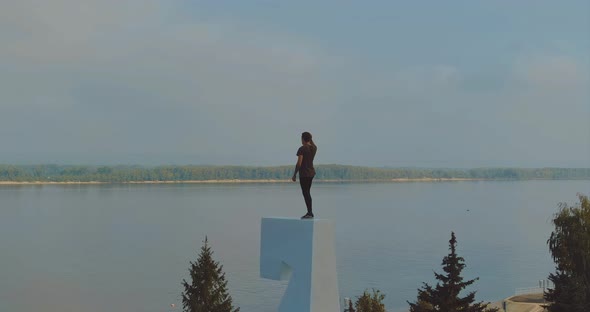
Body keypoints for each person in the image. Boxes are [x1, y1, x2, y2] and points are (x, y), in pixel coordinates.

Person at [292, 131, 317, 219]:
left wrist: (294, 174)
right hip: (311, 173)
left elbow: (299, 163)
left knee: (306, 193)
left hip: (304, 174)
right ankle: (310, 212)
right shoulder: (314, 148)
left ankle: (309, 212)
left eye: (301, 138)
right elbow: (312, 144)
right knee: (307, 193)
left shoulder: (302, 149)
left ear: (303, 139)